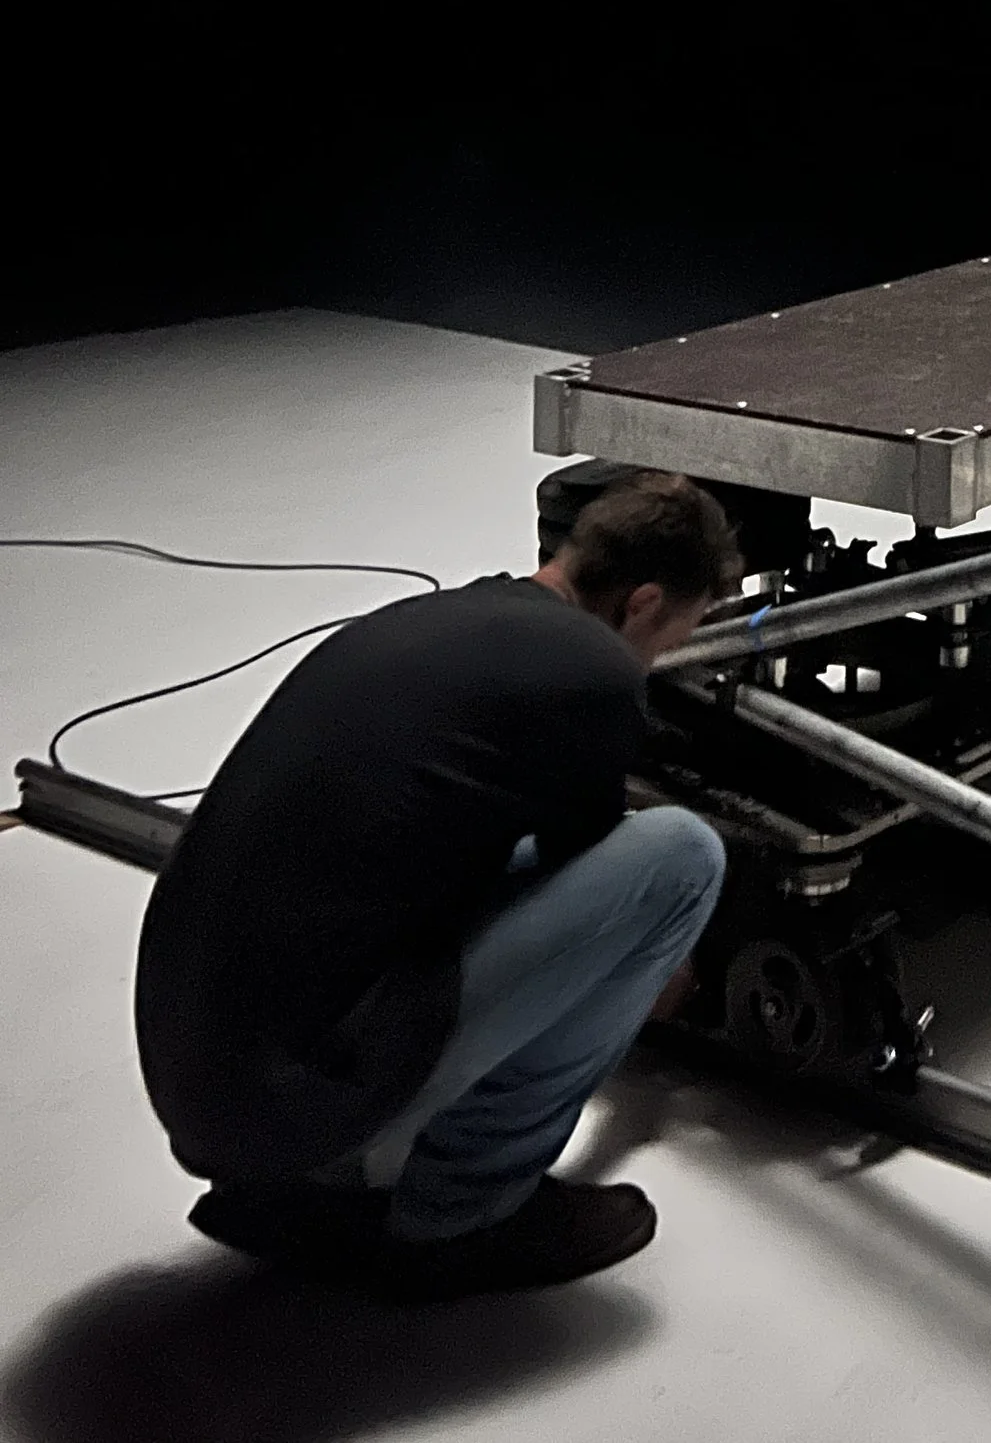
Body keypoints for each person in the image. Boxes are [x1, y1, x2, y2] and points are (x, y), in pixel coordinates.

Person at [136, 468, 740, 1295]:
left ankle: (306, 1187)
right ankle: (468, 1207)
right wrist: (663, 973)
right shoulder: (595, 669)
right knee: (679, 856)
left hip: (205, 1084)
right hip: (288, 1104)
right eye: (673, 634)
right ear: (640, 602)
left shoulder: (442, 620)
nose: (662, 657)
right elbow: (605, 879)